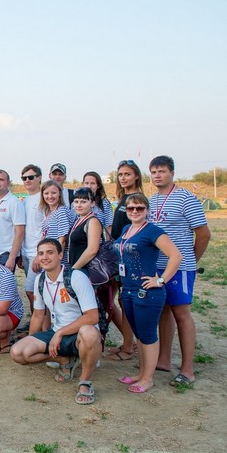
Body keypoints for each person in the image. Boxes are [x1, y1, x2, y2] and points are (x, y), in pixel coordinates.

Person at [9, 239, 103, 405]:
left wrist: (60, 332)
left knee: (89, 333)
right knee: (18, 352)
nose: (45, 257)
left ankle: (85, 382)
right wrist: (32, 339)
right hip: (57, 332)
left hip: (79, 334)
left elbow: (92, 317)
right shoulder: (40, 280)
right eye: (41, 253)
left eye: (50, 252)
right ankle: (64, 361)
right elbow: (38, 315)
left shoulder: (76, 277)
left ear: (60, 255)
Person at [149, 155, 211, 387]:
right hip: (157, 266)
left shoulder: (186, 199)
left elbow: (203, 234)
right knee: (163, 311)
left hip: (180, 267)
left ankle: (187, 369)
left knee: (181, 313)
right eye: (154, 172)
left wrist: (191, 260)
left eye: (162, 171)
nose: (157, 175)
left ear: (172, 173)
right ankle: (164, 360)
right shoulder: (152, 200)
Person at [114, 194, 182, 393]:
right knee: (139, 335)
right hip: (128, 289)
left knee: (148, 335)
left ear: (147, 210)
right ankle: (141, 373)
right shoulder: (127, 229)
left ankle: (148, 379)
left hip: (146, 292)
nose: (134, 211)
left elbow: (176, 256)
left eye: (139, 208)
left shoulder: (152, 230)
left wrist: (160, 280)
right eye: (130, 208)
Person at [104, 159, 146, 362]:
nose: (123, 178)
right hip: (118, 256)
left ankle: (130, 347)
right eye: (120, 175)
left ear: (136, 176)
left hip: (128, 258)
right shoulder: (124, 198)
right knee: (119, 301)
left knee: (126, 301)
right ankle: (128, 343)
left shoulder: (137, 200)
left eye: (127, 174)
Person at [19, 164, 44, 309]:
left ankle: (40, 320)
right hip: (25, 252)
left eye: (31, 177)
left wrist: (39, 254)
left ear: (39, 178)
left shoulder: (44, 198)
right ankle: (36, 318)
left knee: (32, 291)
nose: (27, 180)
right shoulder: (25, 201)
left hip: (37, 253)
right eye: (24, 178)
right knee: (33, 292)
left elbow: (47, 229)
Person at [67, 188, 102, 272]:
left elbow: (92, 250)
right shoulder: (78, 220)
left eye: (83, 202)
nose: (79, 205)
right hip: (78, 268)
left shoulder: (93, 221)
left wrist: (74, 269)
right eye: (76, 202)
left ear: (92, 203)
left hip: (87, 270)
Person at [37, 181, 73, 263]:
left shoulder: (61, 211)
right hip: (49, 257)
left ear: (59, 193)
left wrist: (57, 260)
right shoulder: (50, 212)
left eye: (53, 193)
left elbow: (62, 240)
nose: (50, 196)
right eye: (46, 193)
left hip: (58, 260)